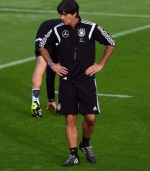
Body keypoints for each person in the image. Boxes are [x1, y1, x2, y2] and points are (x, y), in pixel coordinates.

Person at [39, 0, 115, 167]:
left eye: (65, 14)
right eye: (61, 14)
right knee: (70, 118)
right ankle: (73, 155)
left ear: (74, 14)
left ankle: (85, 144)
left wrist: (100, 64)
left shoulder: (90, 28)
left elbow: (111, 42)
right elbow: (42, 46)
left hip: (86, 81)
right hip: (67, 82)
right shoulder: (57, 30)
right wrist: (52, 64)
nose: (62, 17)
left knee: (90, 118)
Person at [31, 19, 62, 117]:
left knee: (41, 65)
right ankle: (62, 104)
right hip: (57, 36)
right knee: (64, 68)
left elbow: (51, 68)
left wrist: (51, 99)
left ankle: (35, 101)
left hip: (43, 30)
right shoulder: (74, 29)